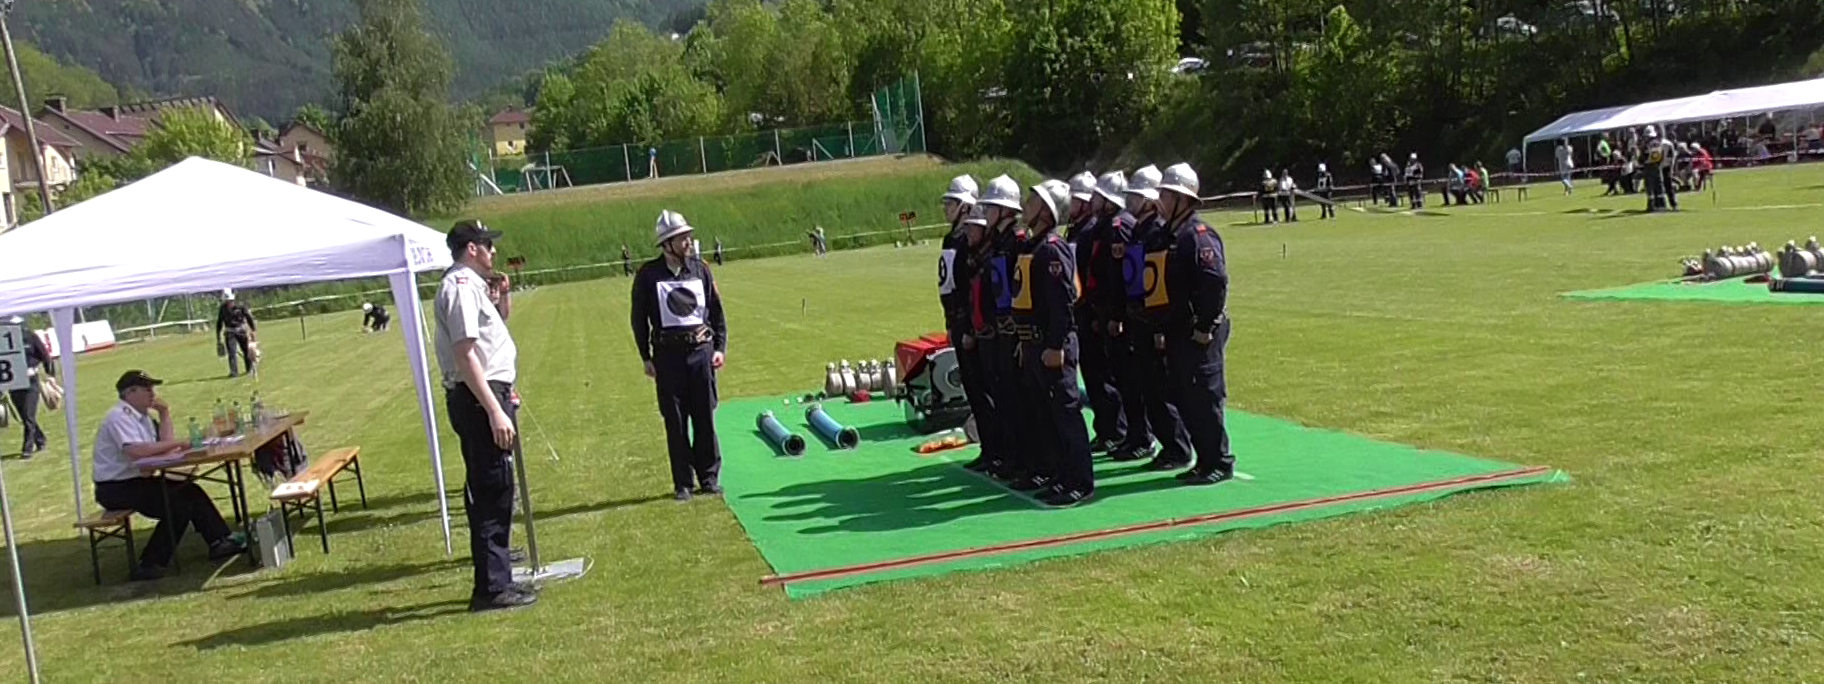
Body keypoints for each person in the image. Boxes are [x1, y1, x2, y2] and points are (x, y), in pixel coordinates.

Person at [433, 219, 537, 612]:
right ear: (470, 249)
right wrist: (494, 407)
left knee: (498, 486)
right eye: (487, 244)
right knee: (491, 488)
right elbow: (465, 354)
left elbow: (488, 349)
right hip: (477, 401)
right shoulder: (459, 287)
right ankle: (491, 588)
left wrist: (504, 390)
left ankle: (498, 575)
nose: (493, 251)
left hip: (487, 393)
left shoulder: (472, 286)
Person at [92, 371, 246, 580]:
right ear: (130, 392)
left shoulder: (144, 418)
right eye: (146, 389)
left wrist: (164, 413)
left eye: (152, 388)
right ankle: (150, 563)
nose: (152, 393)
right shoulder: (119, 416)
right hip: (116, 487)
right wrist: (180, 443)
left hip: (136, 480)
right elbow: (137, 450)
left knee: (189, 490)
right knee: (177, 505)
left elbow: (164, 446)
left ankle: (220, 540)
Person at [632, 211, 729, 502]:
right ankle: (683, 482)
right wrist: (645, 356)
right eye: (681, 238)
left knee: (704, 417)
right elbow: (639, 318)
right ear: (667, 243)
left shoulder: (701, 269)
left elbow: (716, 311)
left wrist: (720, 348)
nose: (688, 241)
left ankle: (709, 478)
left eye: (687, 236)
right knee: (675, 421)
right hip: (668, 357)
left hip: (701, 353)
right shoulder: (648, 275)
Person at [1157, 165, 1236, 486]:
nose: (1159, 200)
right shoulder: (1170, 234)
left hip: (1198, 331)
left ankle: (1218, 460)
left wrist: (1205, 324)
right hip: (1178, 329)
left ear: (1181, 199)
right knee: (1182, 394)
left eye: (1165, 195)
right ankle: (1204, 459)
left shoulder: (1197, 235)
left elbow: (1214, 281)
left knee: (1204, 395)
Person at [1110, 165, 1191, 471]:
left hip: (1150, 320)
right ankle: (1159, 442)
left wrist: (1157, 324)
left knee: (1159, 388)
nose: (1130, 203)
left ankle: (1177, 446)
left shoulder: (1156, 232)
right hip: (1137, 317)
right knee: (1144, 385)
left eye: (1137, 198)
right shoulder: (1141, 230)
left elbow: (1156, 284)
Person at [1020, 180, 1094, 507]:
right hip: (1035, 345)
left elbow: (1064, 302)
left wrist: (1056, 344)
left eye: (1033, 199)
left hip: (1053, 347)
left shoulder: (1051, 248)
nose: (1026, 203)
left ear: (1047, 209)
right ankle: (1060, 475)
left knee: (1066, 414)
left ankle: (1080, 481)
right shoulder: (1034, 246)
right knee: (1047, 415)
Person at [938, 175, 1003, 474]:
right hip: (960, 322)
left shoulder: (965, 240)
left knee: (983, 389)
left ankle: (996, 450)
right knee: (975, 390)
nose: (946, 208)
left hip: (970, 325)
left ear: (965, 206)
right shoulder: (953, 238)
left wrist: (964, 326)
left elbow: (965, 289)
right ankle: (990, 449)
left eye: (951, 202)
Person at [973, 175, 1032, 484]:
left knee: (1018, 400)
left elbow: (1022, 287)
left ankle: (1025, 461)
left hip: (1013, 332)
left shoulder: (1018, 241)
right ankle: (1012, 458)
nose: (987, 213)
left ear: (1006, 210)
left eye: (992, 207)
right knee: (1005, 397)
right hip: (998, 331)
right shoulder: (997, 241)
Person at [1072, 171, 1129, 453]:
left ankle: (1117, 430)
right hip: (1090, 310)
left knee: (1107, 376)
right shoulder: (1085, 229)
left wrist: (1106, 313)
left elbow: (1110, 276)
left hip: (1101, 310)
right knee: (1094, 375)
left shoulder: (1105, 228)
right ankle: (1107, 429)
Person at [5, 316, 49, 458]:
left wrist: (50, 375)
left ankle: (27, 448)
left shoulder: (30, 337)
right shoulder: (4, 341)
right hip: (15, 382)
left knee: (29, 415)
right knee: (25, 416)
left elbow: (45, 356)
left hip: (31, 381)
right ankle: (40, 439)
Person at [215, 289, 258, 378]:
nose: (229, 302)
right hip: (230, 332)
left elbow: (249, 318)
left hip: (241, 331)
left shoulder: (241, 306)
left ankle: (249, 368)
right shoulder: (222, 308)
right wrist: (218, 337)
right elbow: (219, 323)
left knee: (246, 350)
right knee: (232, 352)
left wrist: (253, 330)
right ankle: (234, 372)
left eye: (230, 300)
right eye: (227, 301)